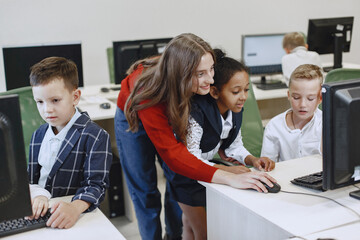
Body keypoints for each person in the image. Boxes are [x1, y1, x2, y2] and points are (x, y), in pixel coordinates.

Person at [115, 33, 276, 240]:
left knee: (177, 180)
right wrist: (229, 178)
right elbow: (174, 155)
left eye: (211, 69)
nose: (210, 79)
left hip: (173, 101)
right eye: (201, 74)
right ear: (180, 74)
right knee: (145, 190)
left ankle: (173, 236)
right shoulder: (150, 94)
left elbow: (190, 152)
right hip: (135, 116)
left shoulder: (195, 78)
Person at [162, 48, 276, 239]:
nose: (243, 97)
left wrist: (252, 159)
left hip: (204, 175)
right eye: (236, 91)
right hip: (185, 177)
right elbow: (191, 158)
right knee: (204, 232)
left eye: (246, 90)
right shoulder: (196, 114)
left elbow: (233, 146)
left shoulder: (234, 111)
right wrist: (227, 171)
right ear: (214, 92)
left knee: (189, 226)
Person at [28, 57, 112, 229]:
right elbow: (31, 179)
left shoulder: (95, 136)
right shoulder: (38, 135)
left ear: (75, 97)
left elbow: (96, 185)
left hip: (73, 216)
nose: (47, 110)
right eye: (40, 102)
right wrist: (37, 195)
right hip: (41, 215)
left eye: (55, 100)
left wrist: (75, 208)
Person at [261, 64, 323, 162]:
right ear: (289, 95)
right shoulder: (274, 126)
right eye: (296, 97)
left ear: (320, 98)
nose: (302, 104)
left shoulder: (326, 124)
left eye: (310, 99)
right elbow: (267, 165)